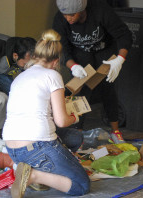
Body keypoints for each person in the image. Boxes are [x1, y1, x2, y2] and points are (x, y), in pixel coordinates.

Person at [2, 29, 90, 198]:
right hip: (37, 146)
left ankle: (30, 170)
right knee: (81, 185)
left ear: (35, 56)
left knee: (74, 137)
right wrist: (75, 116)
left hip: (12, 148)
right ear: (56, 61)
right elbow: (62, 121)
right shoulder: (53, 75)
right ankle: (34, 175)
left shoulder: (21, 77)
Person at [52, 0, 132, 143]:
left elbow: (124, 35)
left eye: (72, 15)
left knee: (108, 87)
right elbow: (62, 48)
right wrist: (73, 66)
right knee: (81, 90)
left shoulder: (100, 10)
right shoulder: (60, 19)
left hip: (104, 50)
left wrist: (120, 59)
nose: (68, 18)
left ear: (82, 10)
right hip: (79, 54)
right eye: (65, 15)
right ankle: (78, 133)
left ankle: (115, 131)